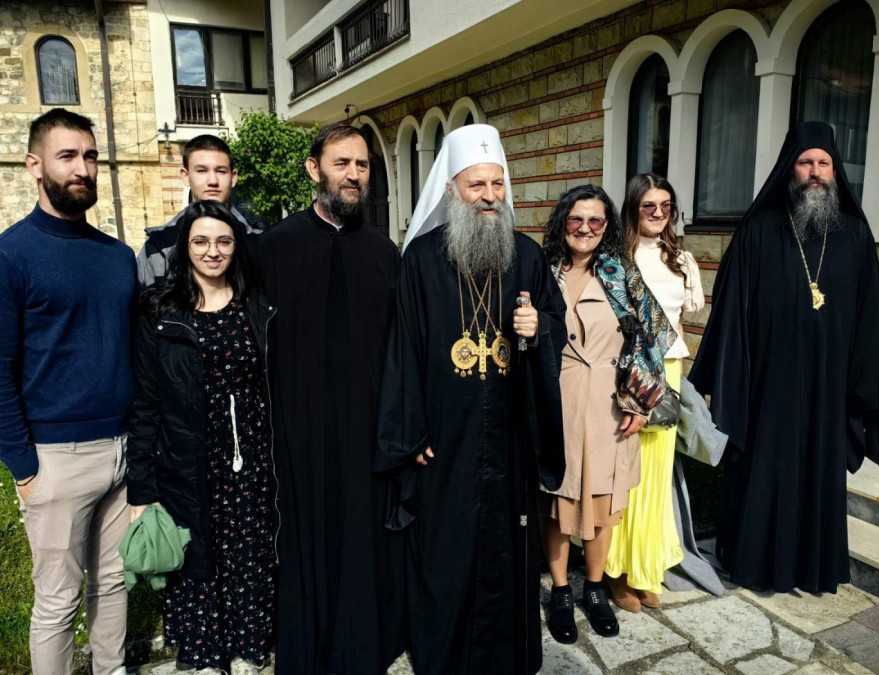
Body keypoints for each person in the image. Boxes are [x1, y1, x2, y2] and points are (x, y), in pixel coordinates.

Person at [376, 123, 567, 675]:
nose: (489, 196)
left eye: (497, 184)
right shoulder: (421, 260)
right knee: (446, 547)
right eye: (476, 184)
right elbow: (404, 349)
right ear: (452, 189)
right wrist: (409, 432)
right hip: (445, 438)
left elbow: (556, 325)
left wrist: (538, 328)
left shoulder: (526, 256)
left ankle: (506, 655)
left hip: (508, 435)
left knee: (508, 545)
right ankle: (445, 656)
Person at [690, 121, 879, 594]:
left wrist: (861, 388)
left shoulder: (856, 236)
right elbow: (732, 313)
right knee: (764, 467)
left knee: (818, 469)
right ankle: (755, 562)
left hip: (828, 385)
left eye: (824, 163)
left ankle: (810, 567)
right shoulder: (758, 230)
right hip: (768, 382)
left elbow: (869, 321)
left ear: (835, 171)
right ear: (789, 168)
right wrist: (730, 379)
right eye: (806, 162)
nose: (815, 172)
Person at [256, 122, 404, 674]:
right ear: (313, 168)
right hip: (301, 428)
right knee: (309, 536)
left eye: (362, 165)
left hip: (367, 428)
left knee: (364, 536)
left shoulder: (383, 250)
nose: (354, 175)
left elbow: (401, 346)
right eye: (342, 163)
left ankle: (365, 644)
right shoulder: (275, 246)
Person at [0, 108, 135, 675]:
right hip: (56, 459)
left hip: (122, 450)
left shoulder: (117, 256)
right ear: (34, 165)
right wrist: (24, 467)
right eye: (67, 156)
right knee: (58, 601)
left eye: (90, 156)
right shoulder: (11, 255)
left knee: (114, 583)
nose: (83, 168)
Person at [127, 200, 276, 674]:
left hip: (250, 461)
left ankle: (247, 649)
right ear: (185, 247)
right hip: (188, 460)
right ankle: (206, 656)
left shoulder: (257, 305)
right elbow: (145, 405)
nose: (213, 251)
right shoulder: (160, 311)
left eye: (223, 241)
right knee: (197, 559)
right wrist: (142, 489)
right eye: (201, 241)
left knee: (247, 556)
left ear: (236, 246)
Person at [539, 184, 652, 644]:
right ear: (562, 222)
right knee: (558, 502)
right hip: (559, 399)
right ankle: (561, 591)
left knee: (603, 505)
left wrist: (640, 401)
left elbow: (650, 336)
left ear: (607, 227)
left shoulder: (621, 273)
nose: (585, 228)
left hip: (610, 403)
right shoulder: (544, 271)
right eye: (576, 219)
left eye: (595, 221)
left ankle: (596, 587)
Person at [605, 174, 704, 611]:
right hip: (627, 372)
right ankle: (615, 571)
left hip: (668, 370)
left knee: (656, 477)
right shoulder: (615, 257)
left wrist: (674, 371)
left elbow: (679, 321)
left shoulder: (682, 260)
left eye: (666, 205)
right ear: (633, 208)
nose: (659, 213)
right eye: (649, 205)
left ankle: (645, 569)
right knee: (624, 470)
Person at [137, 134, 262, 289]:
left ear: (233, 177)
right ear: (185, 176)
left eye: (221, 171)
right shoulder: (158, 246)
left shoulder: (259, 243)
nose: (212, 181)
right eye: (202, 171)